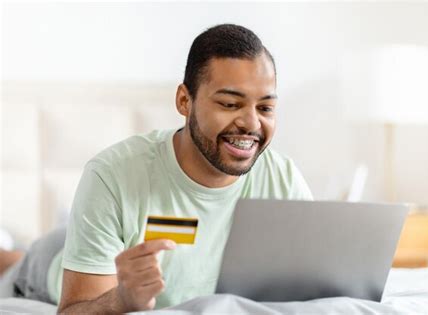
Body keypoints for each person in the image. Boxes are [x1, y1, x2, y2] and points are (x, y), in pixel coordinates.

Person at [0, 23, 313, 313]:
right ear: (183, 101)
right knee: (16, 259)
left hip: (107, 235)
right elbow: (73, 308)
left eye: (265, 107)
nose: (250, 123)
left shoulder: (283, 179)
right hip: (53, 263)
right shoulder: (112, 174)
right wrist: (122, 298)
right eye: (230, 104)